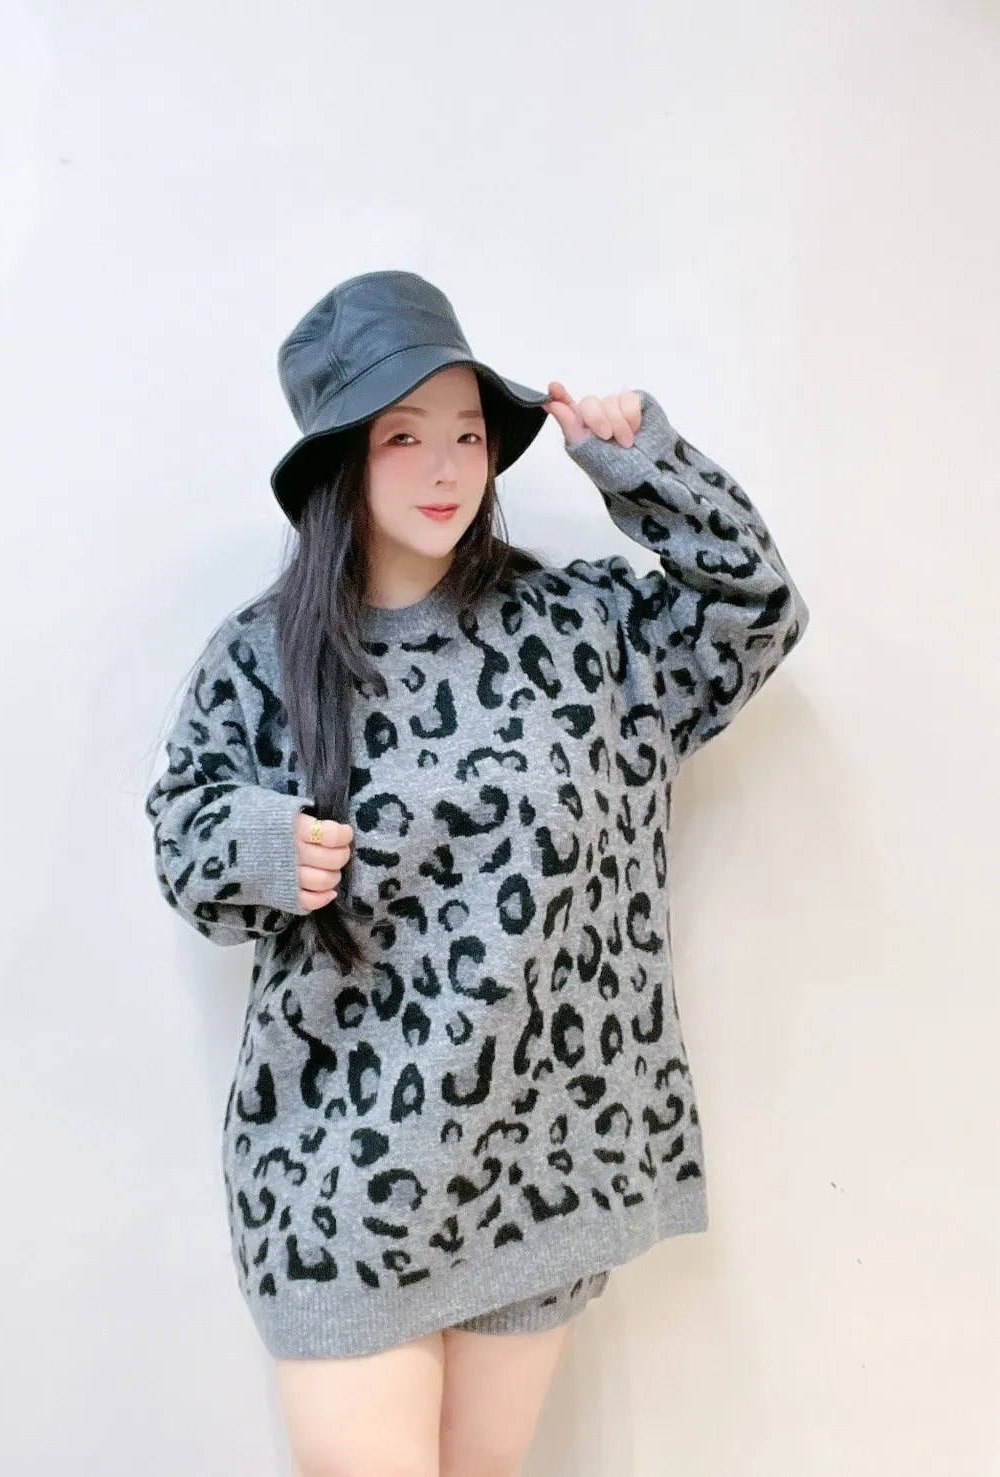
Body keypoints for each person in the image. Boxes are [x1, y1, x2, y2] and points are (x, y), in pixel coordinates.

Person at [143, 268, 809, 1476]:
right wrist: (263, 846)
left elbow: (754, 613)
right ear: (342, 460)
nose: (446, 468)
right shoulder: (263, 656)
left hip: (540, 1161)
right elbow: (184, 840)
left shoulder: (582, 632)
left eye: (466, 434)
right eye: (403, 437)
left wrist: (646, 468)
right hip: (342, 1176)